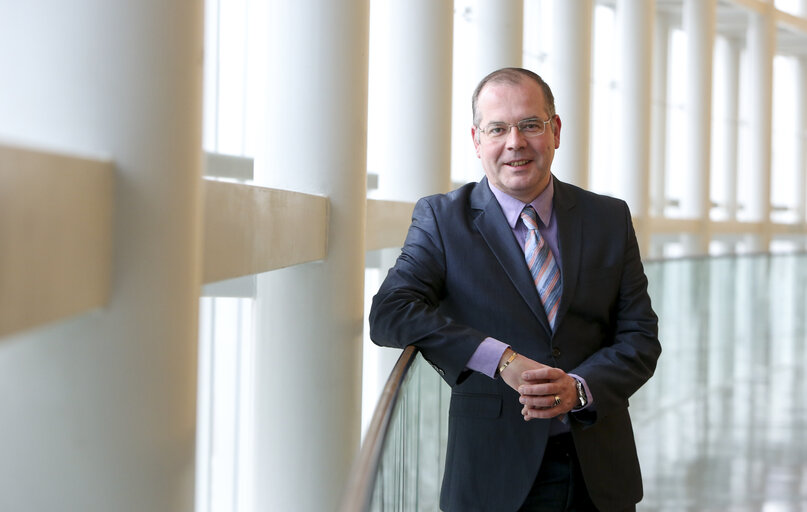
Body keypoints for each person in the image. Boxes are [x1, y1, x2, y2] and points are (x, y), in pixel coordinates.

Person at [368, 67, 661, 512]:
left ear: (555, 130)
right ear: (476, 139)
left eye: (529, 125)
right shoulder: (443, 220)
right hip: (492, 478)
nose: (515, 142)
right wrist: (499, 358)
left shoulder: (608, 218)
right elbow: (390, 311)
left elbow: (640, 338)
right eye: (497, 128)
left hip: (599, 474)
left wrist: (579, 388)